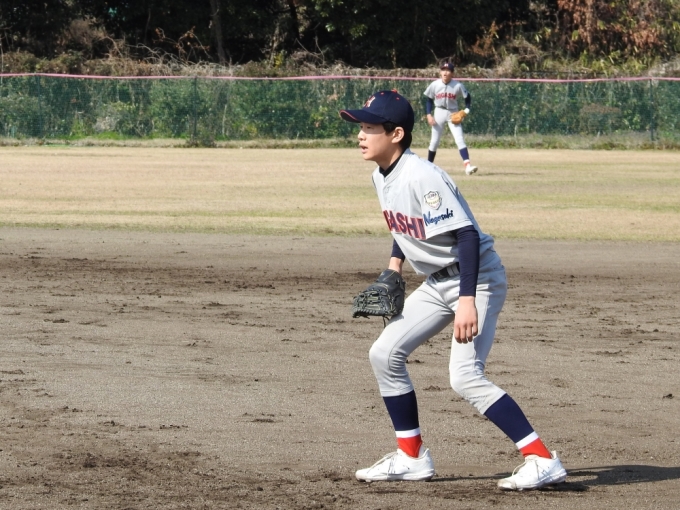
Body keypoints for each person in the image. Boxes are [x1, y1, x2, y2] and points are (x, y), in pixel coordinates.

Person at [338, 90, 567, 490]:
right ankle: (411, 457)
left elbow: (466, 235)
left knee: (464, 377)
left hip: (476, 279)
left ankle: (542, 459)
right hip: (437, 281)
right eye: (360, 127)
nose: (360, 135)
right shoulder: (381, 175)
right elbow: (404, 226)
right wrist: (394, 266)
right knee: (384, 353)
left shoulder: (422, 175)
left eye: (369, 127)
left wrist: (466, 301)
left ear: (395, 134)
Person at [424, 61, 478, 175]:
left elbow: (467, 98)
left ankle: (468, 166)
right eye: (443, 70)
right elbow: (429, 100)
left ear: (452, 73)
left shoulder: (457, 85)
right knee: (434, 141)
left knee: (459, 139)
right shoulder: (435, 84)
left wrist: (466, 110)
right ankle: (428, 166)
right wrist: (428, 114)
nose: (445, 72)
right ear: (440, 72)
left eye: (448, 70)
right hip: (439, 111)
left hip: (453, 112)